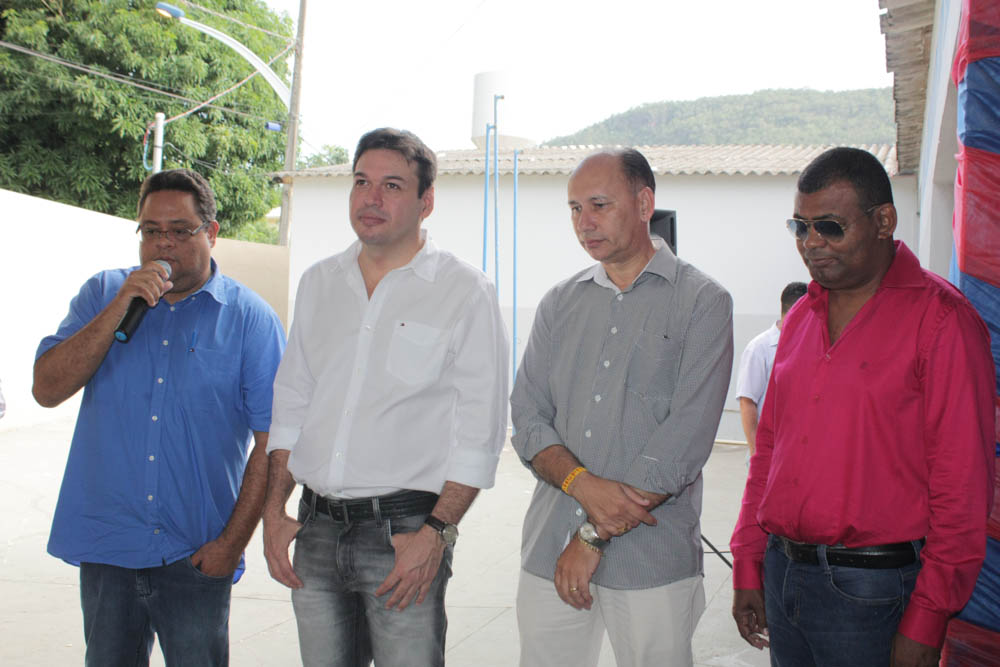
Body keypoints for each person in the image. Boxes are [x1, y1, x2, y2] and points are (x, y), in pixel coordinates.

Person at [730, 147, 996, 667]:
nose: (811, 243)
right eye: (800, 227)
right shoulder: (801, 318)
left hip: (875, 594)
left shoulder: (942, 322)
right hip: (783, 575)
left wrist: (928, 616)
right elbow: (769, 456)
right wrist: (748, 561)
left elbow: (962, 491)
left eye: (830, 227)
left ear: (884, 221)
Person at [261, 127, 509, 667]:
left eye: (392, 185)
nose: (371, 198)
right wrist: (273, 510)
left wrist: (436, 534)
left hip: (405, 534)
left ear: (426, 202)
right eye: (361, 182)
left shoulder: (464, 291)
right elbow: (291, 404)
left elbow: (481, 431)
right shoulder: (319, 282)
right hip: (316, 529)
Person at [33, 168, 286, 666]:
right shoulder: (104, 294)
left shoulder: (250, 320)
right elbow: (47, 389)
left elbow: (274, 442)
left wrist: (230, 545)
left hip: (195, 553)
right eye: (151, 231)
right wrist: (119, 306)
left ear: (212, 233)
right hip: (108, 548)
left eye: (179, 230)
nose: (163, 243)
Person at [510, 148, 734, 666]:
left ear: (644, 203)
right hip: (548, 547)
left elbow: (683, 444)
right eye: (574, 209)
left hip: (651, 562)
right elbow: (527, 418)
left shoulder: (702, 302)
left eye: (599, 205)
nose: (584, 223)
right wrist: (580, 484)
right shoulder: (559, 304)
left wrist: (590, 536)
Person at [735, 281, 806, 457]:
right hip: (769, 452)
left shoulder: (808, 344)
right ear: (794, 311)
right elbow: (747, 401)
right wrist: (757, 453)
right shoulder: (760, 348)